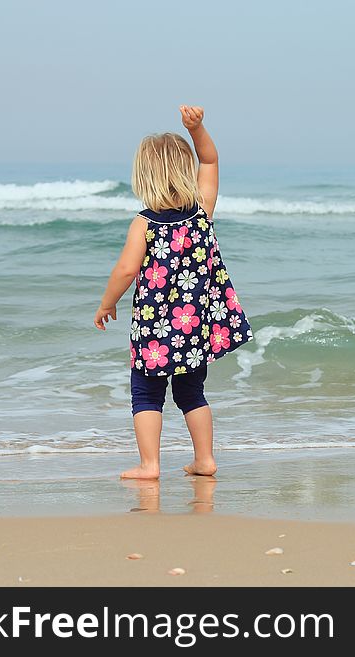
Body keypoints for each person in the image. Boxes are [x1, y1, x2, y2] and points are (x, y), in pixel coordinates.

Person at [94, 105, 254, 480]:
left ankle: (150, 465)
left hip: (154, 330)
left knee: (146, 393)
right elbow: (211, 161)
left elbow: (126, 269)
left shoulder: (144, 223)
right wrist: (198, 130)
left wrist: (107, 303)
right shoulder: (202, 211)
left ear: (144, 177)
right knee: (190, 393)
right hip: (194, 325)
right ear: (185, 172)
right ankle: (205, 460)